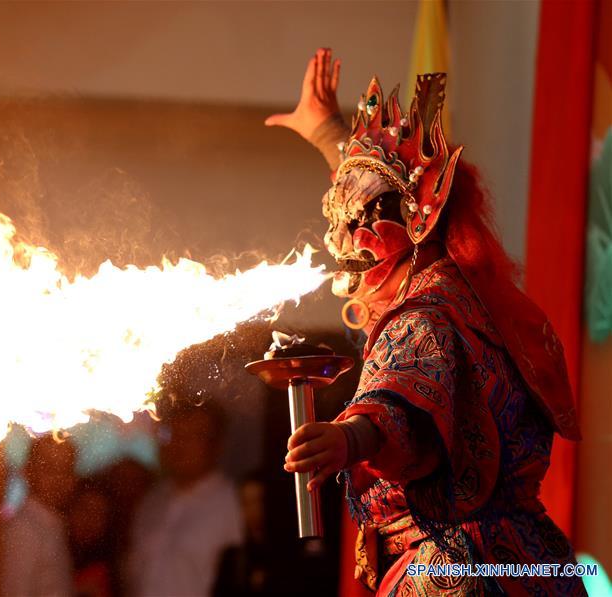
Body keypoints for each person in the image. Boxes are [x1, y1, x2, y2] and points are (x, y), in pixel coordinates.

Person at [268, 49, 586, 595]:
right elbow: (392, 192)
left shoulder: (424, 317)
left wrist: (349, 438)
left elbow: (405, 401)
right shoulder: (467, 297)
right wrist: (328, 132)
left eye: (361, 227)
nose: (347, 244)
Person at [126, 400, 241, 597]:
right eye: (175, 434)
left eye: (193, 436)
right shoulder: (153, 499)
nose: (180, 445)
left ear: (216, 445)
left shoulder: (232, 504)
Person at [1, 435, 77, 597]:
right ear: (28, 471)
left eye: (66, 470)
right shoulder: (24, 529)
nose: (59, 480)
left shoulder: (52, 524)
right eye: (49, 469)